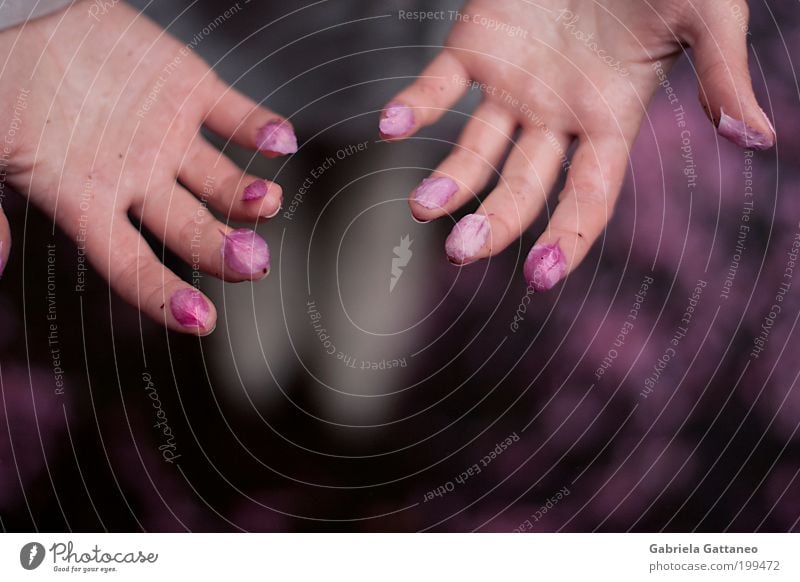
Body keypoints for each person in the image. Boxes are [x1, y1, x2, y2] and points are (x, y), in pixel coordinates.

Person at [0, 0, 774, 335]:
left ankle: (378, 200)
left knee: (409, 127)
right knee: (248, 135)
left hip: (486, 31)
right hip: (202, 43)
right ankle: (272, 204)